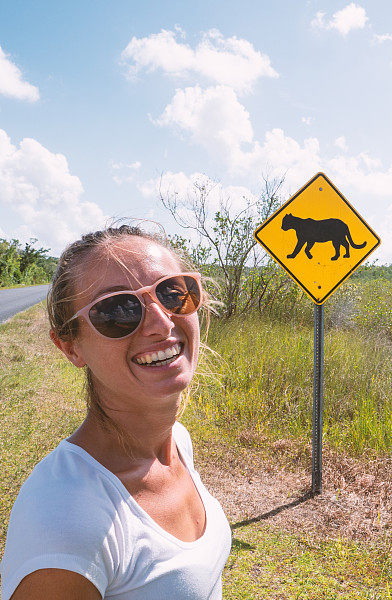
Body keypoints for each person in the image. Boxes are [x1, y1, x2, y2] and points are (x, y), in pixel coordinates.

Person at [0, 226, 231, 599]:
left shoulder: (177, 443)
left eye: (173, 292)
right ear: (70, 347)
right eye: (117, 310)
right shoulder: (63, 518)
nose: (161, 323)